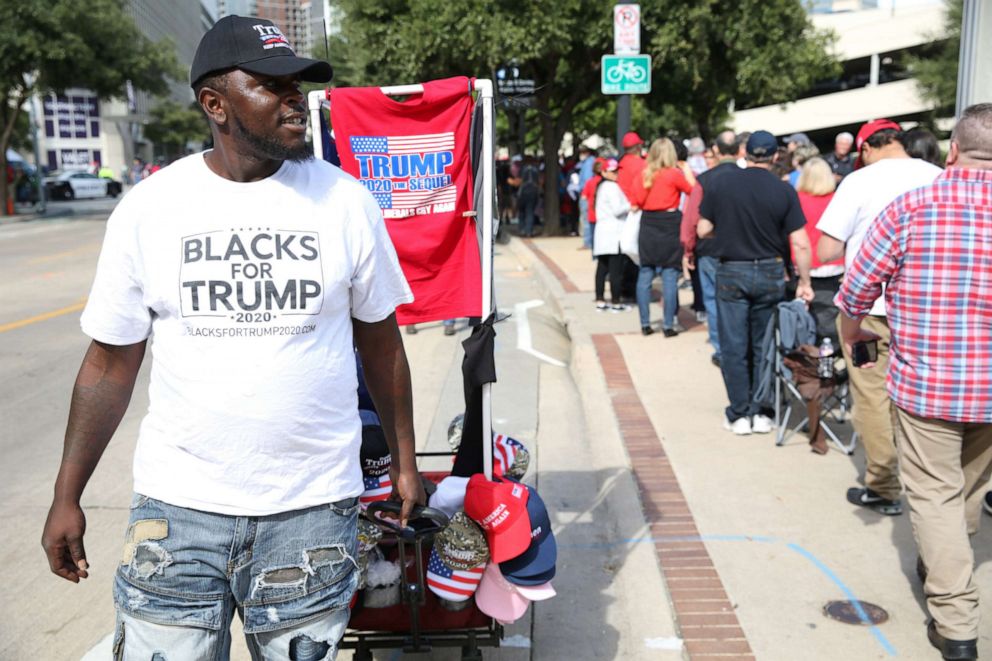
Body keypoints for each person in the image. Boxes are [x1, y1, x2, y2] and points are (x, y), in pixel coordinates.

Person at [40, 15, 425, 659]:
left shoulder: (345, 203)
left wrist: (407, 464)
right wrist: (66, 495)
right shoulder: (150, 209)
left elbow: (382, 346)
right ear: (215, 104)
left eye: (298, 86)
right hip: (177, 511)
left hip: (312, 511)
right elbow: (109, 366)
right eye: (273, 86)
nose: (295, 99)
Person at [836, 103, 992, 661]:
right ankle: (946, 558)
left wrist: (855, 335)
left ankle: (956, 626)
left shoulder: (913, 207)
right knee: (966, 488)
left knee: (934, 496)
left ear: (952, 151)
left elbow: (856, 290)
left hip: (930, 381)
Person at [817, 118, 943, 516]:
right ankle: (924, 484)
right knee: (916, 399)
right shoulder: (939, 177)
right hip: (925, 313)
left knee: (871, 395)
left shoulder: (860, 180)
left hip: (868, 315)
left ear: (867, 148)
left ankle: (883, 485)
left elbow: (826, 249)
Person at [697, 130, 813, 435]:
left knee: (734, 345)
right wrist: (805, 280)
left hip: (732, 269)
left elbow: (703, 229)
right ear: (775, 155)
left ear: (745, 151)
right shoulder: (784, 190)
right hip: (771, 271)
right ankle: (762, 409)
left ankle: (739, 413)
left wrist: (727, 229)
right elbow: (799, 242)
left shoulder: (721, 183)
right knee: (764, 343)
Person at [681, 130, 739, 366]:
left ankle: (720, 347)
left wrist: (688, 250)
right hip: (736, 247)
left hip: (709, 248)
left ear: (715, 151)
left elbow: (691, 218)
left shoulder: (704, 181)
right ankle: (734, 344)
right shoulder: (744, 178)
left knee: (714, 300)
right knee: (734, 300)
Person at [632, 138, 695, 336]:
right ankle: (668, 325)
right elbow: (693, 191)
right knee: (669, 276)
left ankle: (644, 323)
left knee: (645, 274)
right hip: (670, 223)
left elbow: (636, 202)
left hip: (649, 223)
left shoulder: (644, 175)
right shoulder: (673, 175)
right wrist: (685, 169)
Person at [795, 157, 843, 343]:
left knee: (812, 316)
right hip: (836, 264)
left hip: (806, 265)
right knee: (832, 314)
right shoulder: (837, 199)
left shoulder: (797, 200)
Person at [592, 158, 629, 312]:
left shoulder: (601, 187)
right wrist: (631, 205)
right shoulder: (612, 187)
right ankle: (615, 301)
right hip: (614, 233)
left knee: (602, 267)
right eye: (612, 171)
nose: (616, 174)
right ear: (604, 172)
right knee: (615, 270)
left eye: (616, 170)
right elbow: (617, 209)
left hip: (603, 233)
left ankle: (600, 299)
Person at [576, 144, 597, 247]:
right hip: (588, 194)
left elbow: (587, 181)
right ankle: (589, 241)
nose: (581, 154)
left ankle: (588, 242)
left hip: (586, 194)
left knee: (586, 218)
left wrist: (584, 194)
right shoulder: (587, 162)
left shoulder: (588, 163)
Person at [515, 155, 541, 237]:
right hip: (533, 192)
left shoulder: (523, 168)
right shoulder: (536, 169)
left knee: (522, 212)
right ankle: (529, 231)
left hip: (523, 192)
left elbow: (519, 181)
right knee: (530, 212)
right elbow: (540, 181)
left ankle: (522, 229)